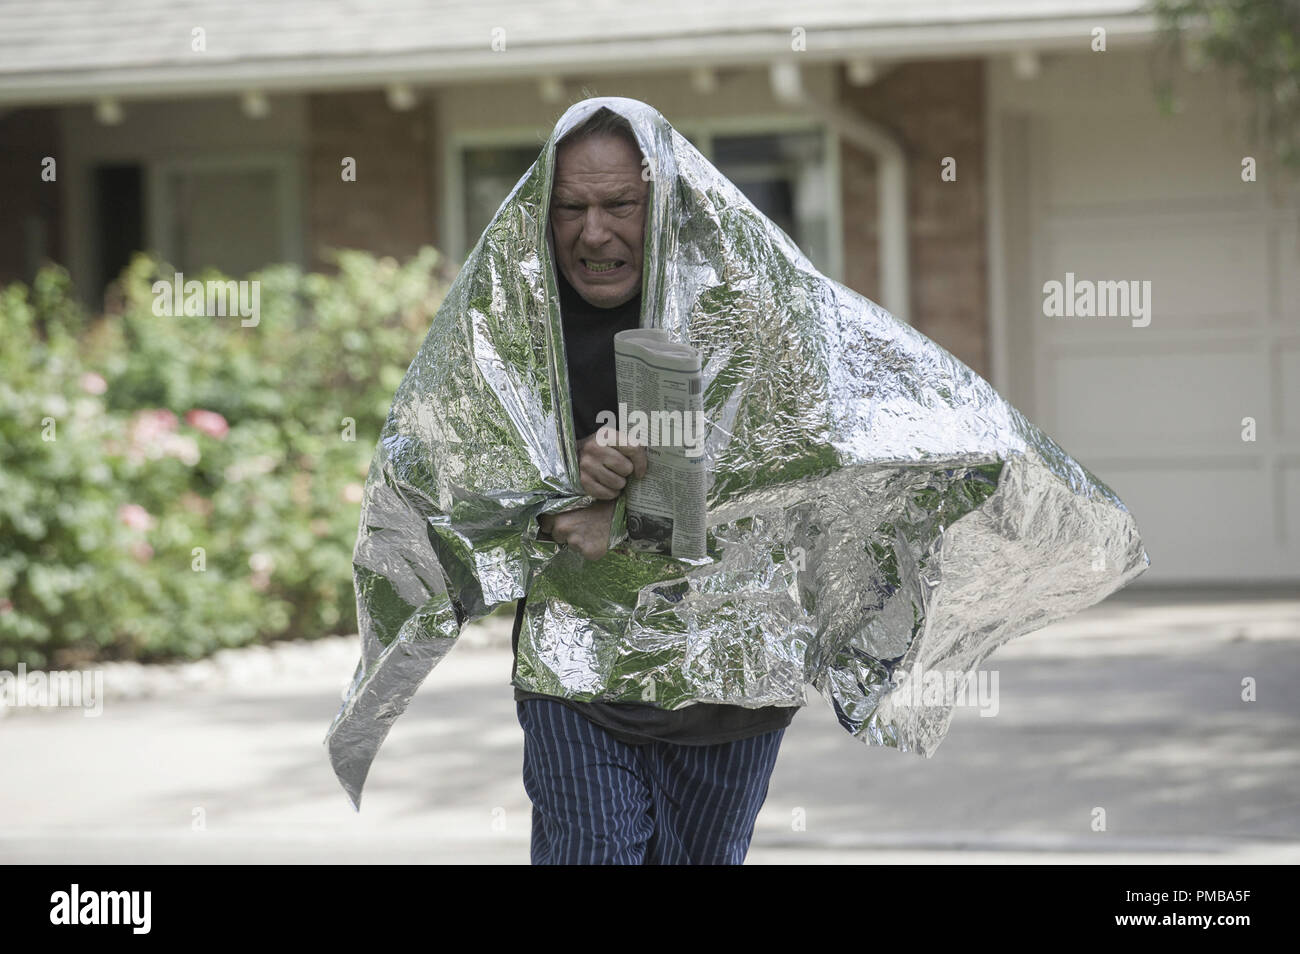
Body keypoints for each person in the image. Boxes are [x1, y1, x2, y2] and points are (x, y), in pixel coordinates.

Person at [511, 107, 797, 865]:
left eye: (620, 207)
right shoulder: (511, 326)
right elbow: (446, 474)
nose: (593, 234)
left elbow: (819, 475)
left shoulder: (751, 313)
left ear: (666, 205)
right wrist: (554, 489)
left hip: (727, 680)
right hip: (576, 674)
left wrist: (642, 501)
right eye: (571, 208)